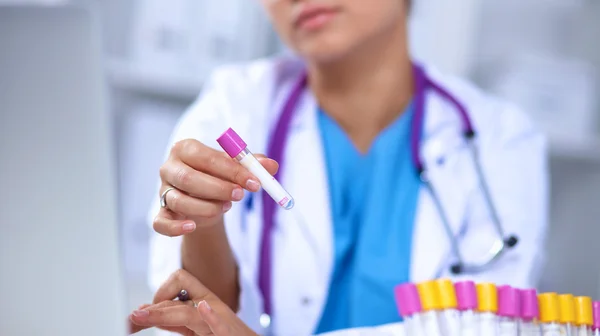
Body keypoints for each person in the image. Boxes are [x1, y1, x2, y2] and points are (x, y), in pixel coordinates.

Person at [144, 0, 548, 335]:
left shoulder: (500, 138)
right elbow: (193, 312)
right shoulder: (233, 105)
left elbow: (491, 325)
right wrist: (201, 224)